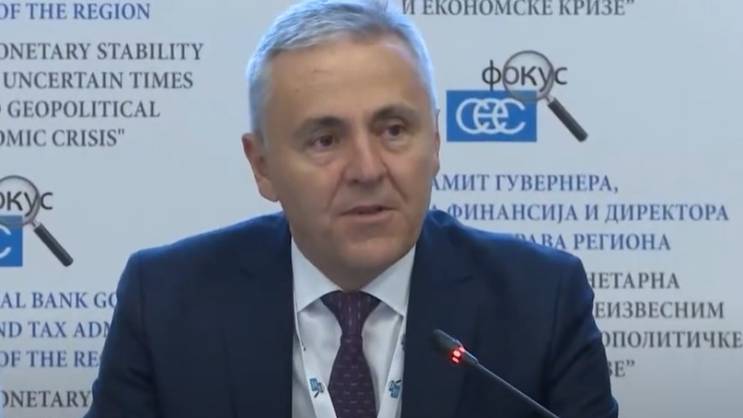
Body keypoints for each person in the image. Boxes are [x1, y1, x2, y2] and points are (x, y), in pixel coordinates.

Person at [85, 1, 618, 417]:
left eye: (394, 130)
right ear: (262, 166)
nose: (367, 169)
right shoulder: (167, 303)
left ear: (435, 142)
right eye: (325, 140)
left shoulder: (540, 302)